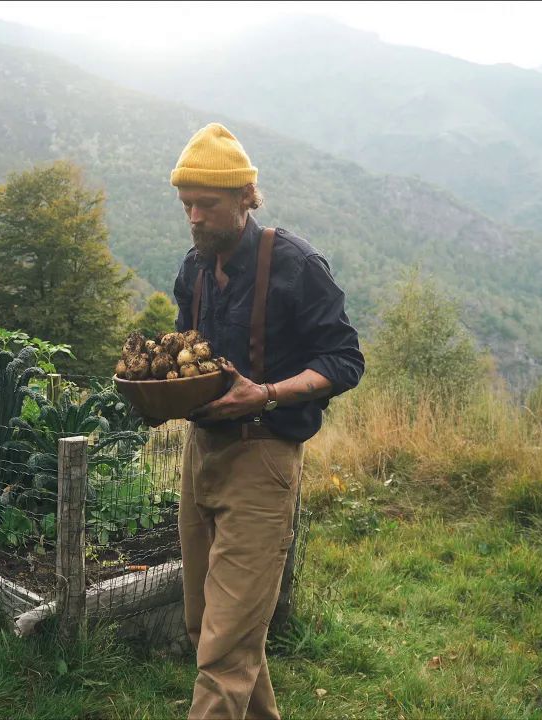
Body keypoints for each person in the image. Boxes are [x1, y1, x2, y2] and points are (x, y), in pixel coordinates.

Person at [168, 123, 365, 720]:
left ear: (245, 200)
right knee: (208, 622)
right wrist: (160, 395)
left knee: (225, 649)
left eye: (208, 204)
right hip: (201, 453)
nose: (195, 217)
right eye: (186, 205)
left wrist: (269, 393)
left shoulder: (295, 265)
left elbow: (345, 359)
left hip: (263, 461)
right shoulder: (195, 269)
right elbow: (186, 353)